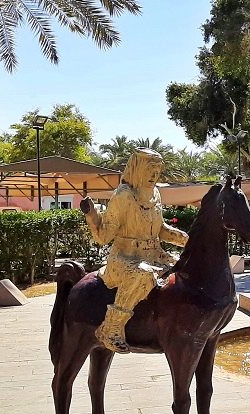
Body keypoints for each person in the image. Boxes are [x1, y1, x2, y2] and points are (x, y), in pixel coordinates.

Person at [80, 148, 189, 353]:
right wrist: (92, 215)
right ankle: (111, 328)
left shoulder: (155, 193)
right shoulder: (123, 196)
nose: (154, 175)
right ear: (137, 168)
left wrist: (186, 239)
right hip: (124, 259)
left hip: (155, 255)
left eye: (158, 170)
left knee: (187, 269)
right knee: (144, 276)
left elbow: (161, 230)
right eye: (150, 169)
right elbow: (103, 236)